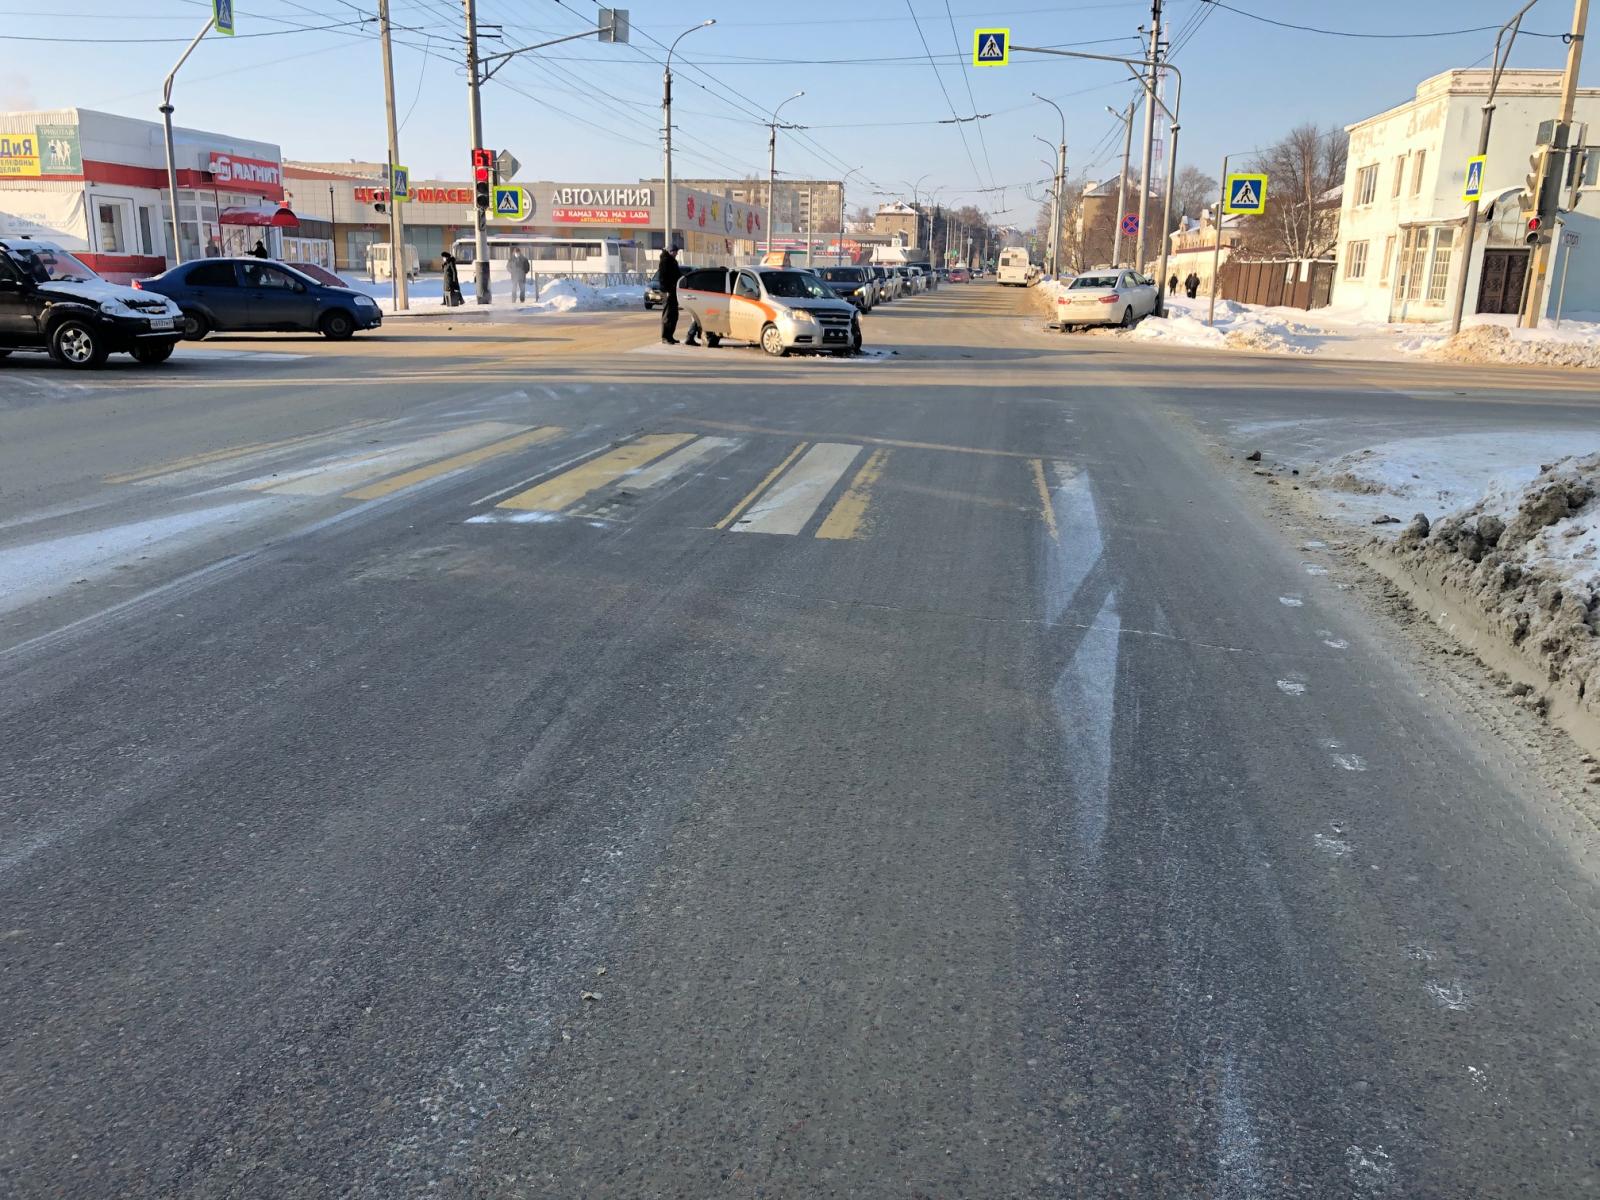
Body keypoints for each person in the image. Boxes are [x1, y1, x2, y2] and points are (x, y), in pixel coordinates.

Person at [657, 242, 683, 344]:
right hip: (668, 292)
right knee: (668, 315)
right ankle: (665, 337)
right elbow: (662, 277)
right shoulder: (665, 261)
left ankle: (670, 336)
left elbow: (677, 275)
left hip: (673, 291)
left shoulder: (672, 261)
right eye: (675, 252)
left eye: (676, 252)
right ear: (670, 251)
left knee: (674, 315)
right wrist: (666, 290)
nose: (676, 254)